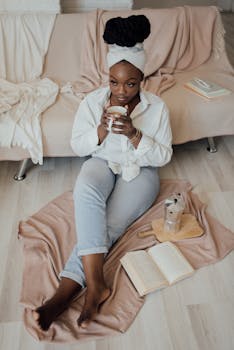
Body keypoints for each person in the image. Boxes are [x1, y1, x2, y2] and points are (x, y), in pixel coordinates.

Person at [33, 14, 173, 331]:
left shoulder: (158, 108)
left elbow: (163, 156)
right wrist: (100, 131)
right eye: (114, 82)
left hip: (141, 171)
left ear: (143, 80)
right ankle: (96, 284)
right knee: (86, 189)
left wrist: (136, 135)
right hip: (102, 162)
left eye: (130, 83)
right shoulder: (93, 102)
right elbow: (79, 146)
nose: (121, 91)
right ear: (107, 78)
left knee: (107, 225)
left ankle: (63, 294)